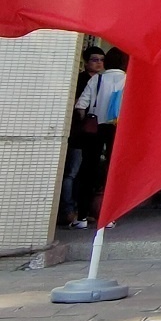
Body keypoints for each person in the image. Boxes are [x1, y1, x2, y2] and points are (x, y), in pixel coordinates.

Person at [72, 47, 126, 227]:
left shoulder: (97, 78)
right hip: (117, 129)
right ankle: (108, 216)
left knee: (88, 171)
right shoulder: (128, 79)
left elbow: (81, 105)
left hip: (95, 129)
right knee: (111, 172)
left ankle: (82, 218)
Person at [62, 45, 105, 228]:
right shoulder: (80, 81)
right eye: (95, 60)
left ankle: (82, 210)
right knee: (72, 173)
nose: (99, 64)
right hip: (79, 133)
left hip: (92, 134)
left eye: (102, 60)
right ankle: (68, 211)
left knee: (86, 173)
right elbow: (78, 107)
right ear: (85, 62)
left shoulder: (102, 81)